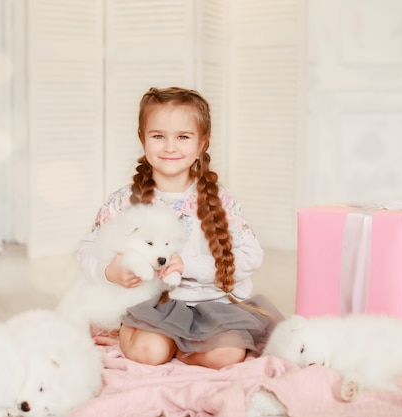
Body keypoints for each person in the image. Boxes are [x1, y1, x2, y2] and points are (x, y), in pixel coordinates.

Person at [77, 86, 284, 370]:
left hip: (214, 305)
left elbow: (251, 255)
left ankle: (179, 350)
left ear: (202, 143)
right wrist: (108, 271)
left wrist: (188, 265)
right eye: (158, 136)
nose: (170, 147)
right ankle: (142, 338)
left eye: (183, 137)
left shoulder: (219, 200)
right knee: (149, 352)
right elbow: (87, 249)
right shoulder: (125, 200)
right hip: (155, 306)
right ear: (142, 138)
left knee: (228, 354)